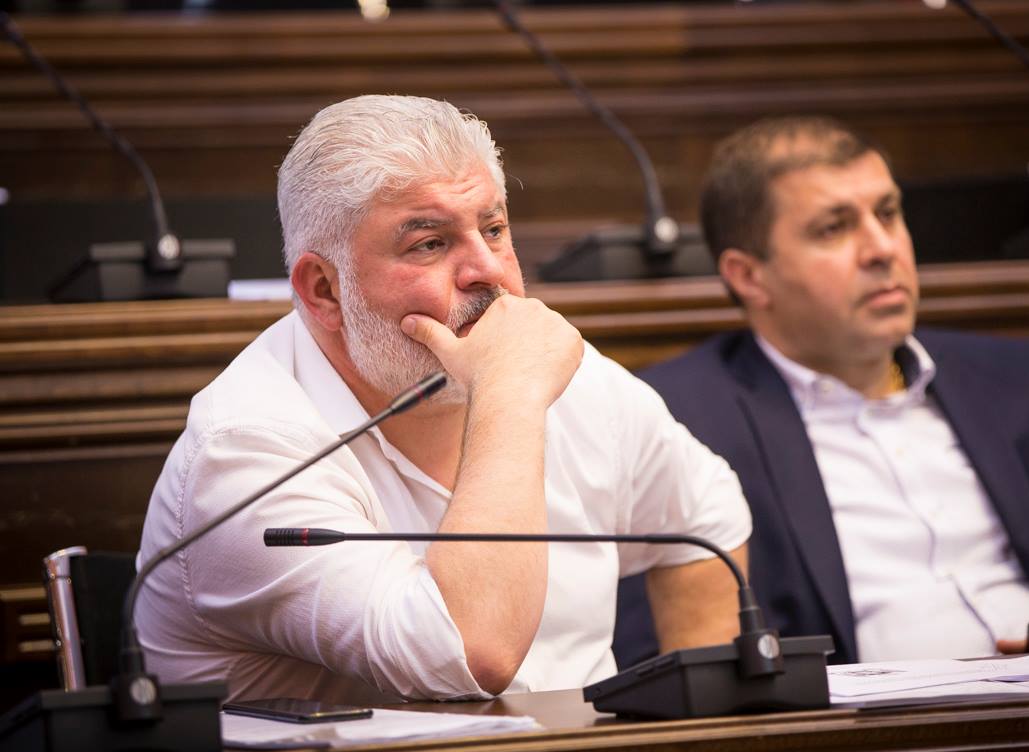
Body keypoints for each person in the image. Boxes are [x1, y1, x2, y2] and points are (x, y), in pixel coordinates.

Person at [136, 94, 751, 704]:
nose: (489, 272)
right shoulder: (244, 455)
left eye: (494, 229)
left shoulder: (565, 377)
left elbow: (705, 512)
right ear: (324, 290)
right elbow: (469, 654)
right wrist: (508, 397)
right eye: (429, 243)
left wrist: (693, 730)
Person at [615, 115, 1029, 667]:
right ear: (749, 276)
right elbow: (656, 650)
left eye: (889, 213)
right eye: (834, 228)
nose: (882, 248)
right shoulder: (678, 417)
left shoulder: (1021, 376)